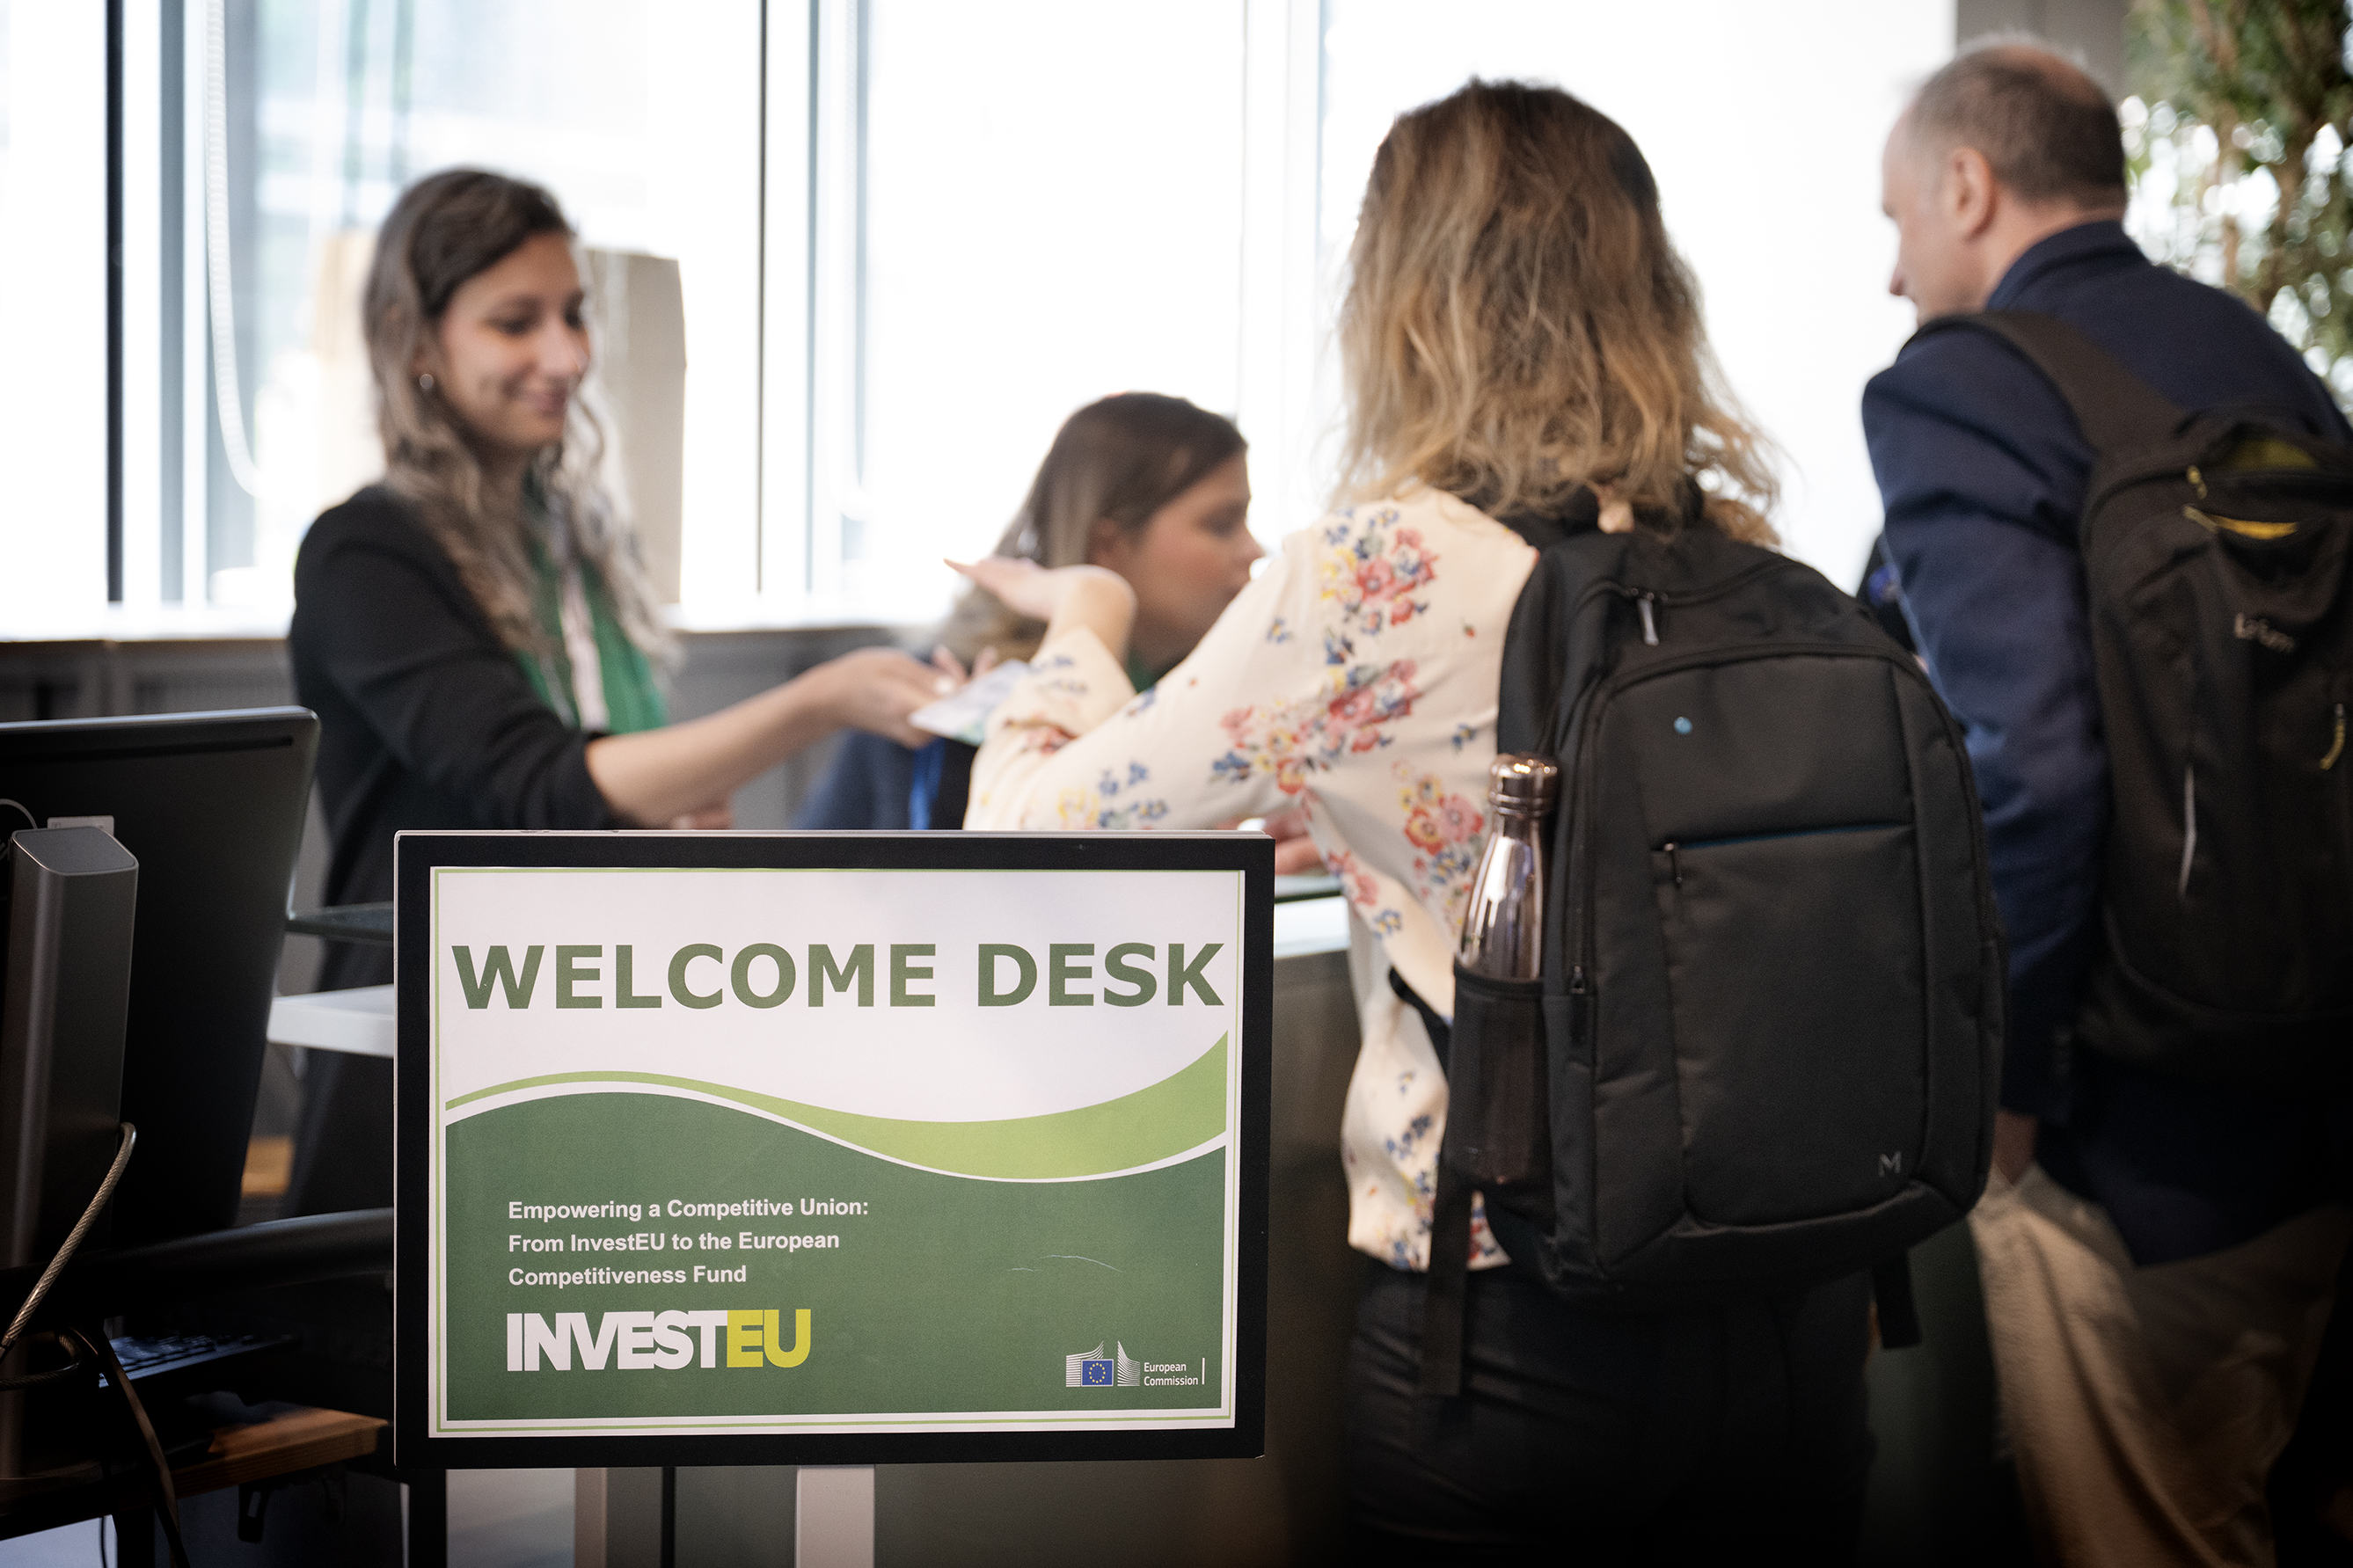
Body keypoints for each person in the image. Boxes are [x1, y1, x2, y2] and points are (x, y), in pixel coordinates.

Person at [963, 81, 1873, 1558]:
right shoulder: (1742, 551)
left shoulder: (1376, 575)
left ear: (1405, 301)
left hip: (1518, 1323)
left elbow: (1020, 834)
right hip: (1791, 1308)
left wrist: (1084, 614)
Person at [1865, 42, 2353, 1565]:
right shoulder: (2256, 359)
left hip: (2118, 1140)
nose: (1893, 273)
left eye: (1896, 220)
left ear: (1967, 184)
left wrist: (2005, 1083)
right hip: (2307, 1087)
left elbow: (2031, 766)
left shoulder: (1969, 385)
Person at [284, 168, 940, 1213]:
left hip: (590, 1042)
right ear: (416, 342)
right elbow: (546, 784)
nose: (568, 355)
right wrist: (816, 703)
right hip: (435, 1064)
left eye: (574, 314)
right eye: (516, 322)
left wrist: (661, 809)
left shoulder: (577, 539)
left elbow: (597, 783)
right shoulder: (364, 553)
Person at [793, 392, 1261, 833]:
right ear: (1108, 545)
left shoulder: (1198, 692)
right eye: (1221, 525)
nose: (1254, 550)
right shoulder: (941, 712)